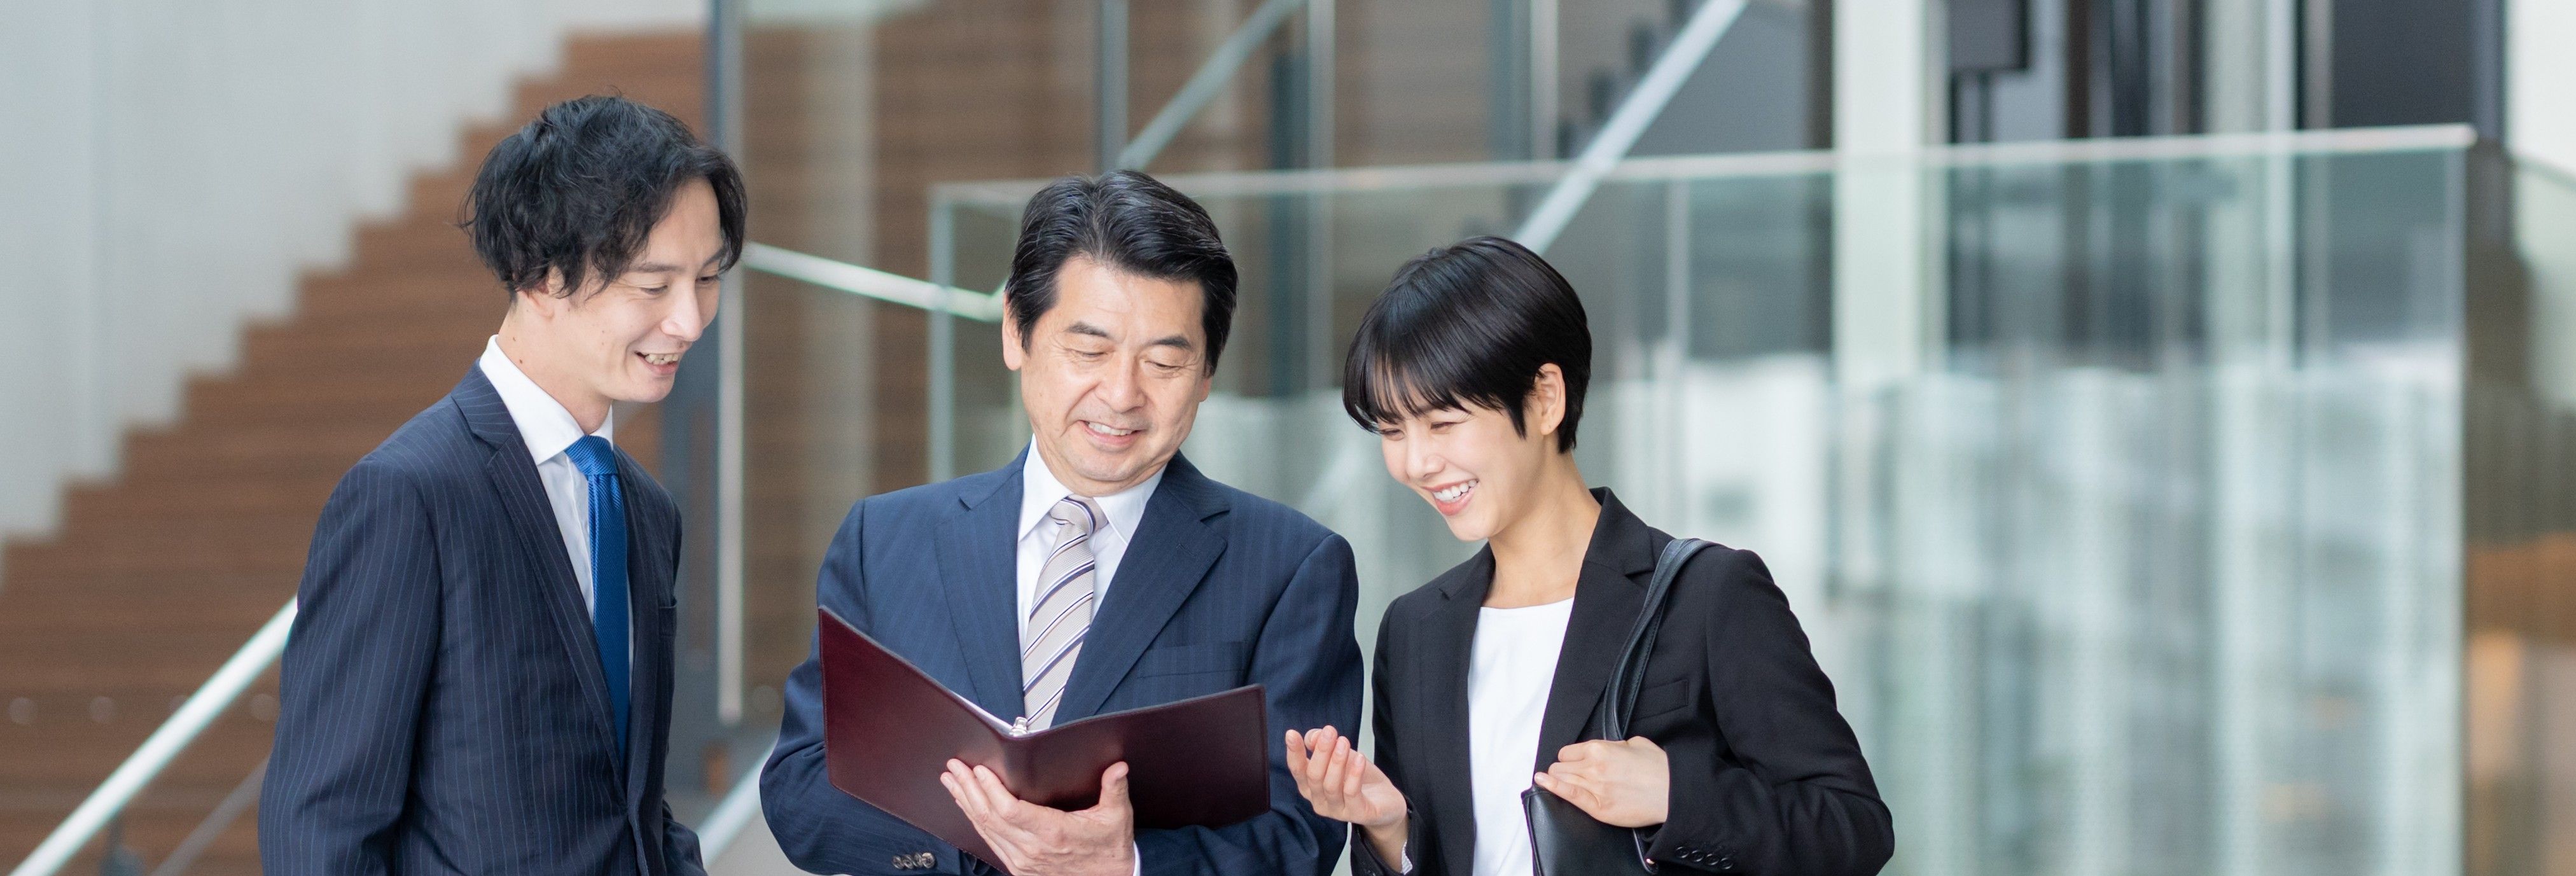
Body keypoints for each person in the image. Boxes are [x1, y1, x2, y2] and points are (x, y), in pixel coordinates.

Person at [760, 170, 1363, 876]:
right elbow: (801, 784)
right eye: (1089, 351)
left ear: (1206, 373)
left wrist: (1129, 865)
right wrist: (987, 846)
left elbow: (1302, 829)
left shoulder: (1291, 567)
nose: (1121, 394)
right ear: (1017, 331)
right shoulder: (884, 541)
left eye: (1165, 361)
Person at [1283, 237, 1892, 876]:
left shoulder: (1709, 594)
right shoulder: (1414, 630)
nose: (1415, 462)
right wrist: (1388, 830)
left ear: (1545, 398)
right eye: (1390, 430)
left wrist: (1676, 797)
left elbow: (1853, 827)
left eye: (1442, 423)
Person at [260, 95, 741, 876]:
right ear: (540, 275)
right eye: (654, 286)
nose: (689, 320)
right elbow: (321, 831)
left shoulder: (644, 509)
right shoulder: (408, 498)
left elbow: (628, 803)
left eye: (708, 279)